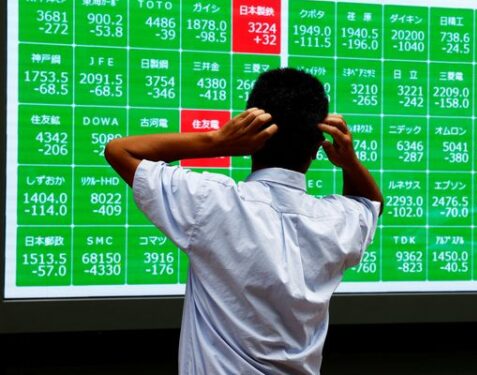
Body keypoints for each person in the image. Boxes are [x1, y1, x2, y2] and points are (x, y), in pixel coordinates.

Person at [104, 68, 383, 375]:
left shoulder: (212, 202)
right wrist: (350, 162)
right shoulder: (337, 222)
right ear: (318, 146)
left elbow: (119, 151)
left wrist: (217, 142)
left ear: (250, 134)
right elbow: (372, 205)